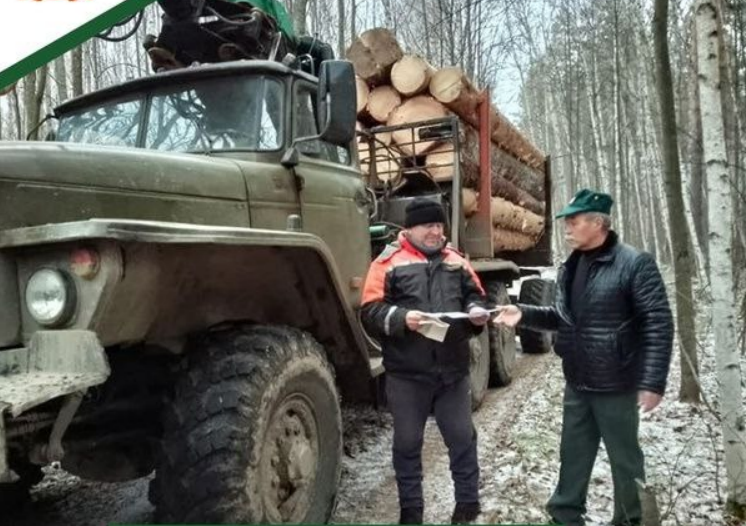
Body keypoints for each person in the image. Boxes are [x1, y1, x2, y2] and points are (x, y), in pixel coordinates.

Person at [495, 189, 674, 526]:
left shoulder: (635, 263)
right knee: (573, 455)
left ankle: (630, 519)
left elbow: (658, 323)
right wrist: (522, 313)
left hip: (616, 382)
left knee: (625, 460)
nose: (566, 227)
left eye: (573, 221)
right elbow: (565, 319)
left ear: (598, 223)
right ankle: (564, 515)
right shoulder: (571, 267)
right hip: (577, 380)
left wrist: (653, 381)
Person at [361, 197, 491, 525]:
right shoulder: (386, 262)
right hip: (407, 376)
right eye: (428, 225)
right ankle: (411, 511)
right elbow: (369, 311)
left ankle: (467, 505)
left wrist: (477, 313)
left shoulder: (457, 261)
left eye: (439, 225)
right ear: (409, 229)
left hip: (453, 373)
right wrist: (402, 318)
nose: (436, 231)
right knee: (407, 444)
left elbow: (476, 295)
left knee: (462, 438)